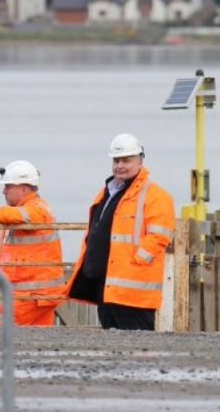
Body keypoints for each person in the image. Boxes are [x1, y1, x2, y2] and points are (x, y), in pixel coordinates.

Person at [65, 133, 176, 331]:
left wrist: (136, 261)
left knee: (139, 350)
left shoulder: (156, 196)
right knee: (112, 348)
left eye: (126, 160)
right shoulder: (109, 191)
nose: (120, 165)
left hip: (135, 293)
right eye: (116, 160)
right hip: (108, 287)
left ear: (140, 161)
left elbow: (160, 236)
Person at [0, 160, 64, 327]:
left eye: (8, 186)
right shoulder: (23, 211)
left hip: (34, 295)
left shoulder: (38, 209)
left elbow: (26, 215)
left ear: (24, 188)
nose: (3, 191)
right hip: (37, 295)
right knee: (35, 342)